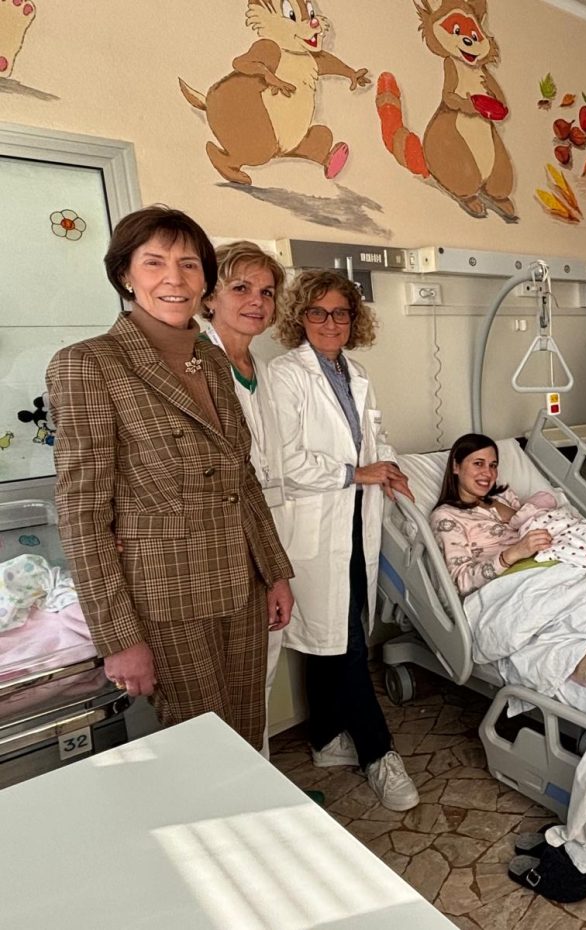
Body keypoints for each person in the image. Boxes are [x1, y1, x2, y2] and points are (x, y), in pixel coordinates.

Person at [46, 205, 294, 751]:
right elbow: (83, 513)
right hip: (168, 600)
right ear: (125, 275)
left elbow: (242, 478)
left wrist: (275, 572)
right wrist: (118, 637)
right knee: (200, 746)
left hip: (242, 586)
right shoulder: (89, 364)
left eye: (188, 264)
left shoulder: (210, 360)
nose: (174, 279)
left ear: (205, 280)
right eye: (154, 262)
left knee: (247, 734)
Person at [267, 269, 418, 811]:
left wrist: (390, 468)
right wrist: (357, 474)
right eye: (318, 312)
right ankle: (378, 752)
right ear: (300, 317)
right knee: (345, 640)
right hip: (315, 526)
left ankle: (326, 738)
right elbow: (286, 462)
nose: (330, 322)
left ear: (354, 319)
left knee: (337, 631)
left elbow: (375, 438)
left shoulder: (355, 372)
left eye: (341, 313)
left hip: (356, 520)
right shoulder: (285, 375)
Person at [199, 240, 289, 757]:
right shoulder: (194, 366)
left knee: (262, 673)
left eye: (267, 292)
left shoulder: (261, 369)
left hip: (268, 537)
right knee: (221, 688)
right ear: (209, 297)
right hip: (219, 546)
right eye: (241, 288)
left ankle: (262, 777)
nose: (257, 301)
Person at [431, 434, 586, 596]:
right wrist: (513, 553)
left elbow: (537, 520)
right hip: (520, 582)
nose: (488, 473)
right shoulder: (448, 517)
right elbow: (462, 582)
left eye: (493, 465)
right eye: (478, 463)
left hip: (556, 561)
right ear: (456, 466)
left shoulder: (504, 497)